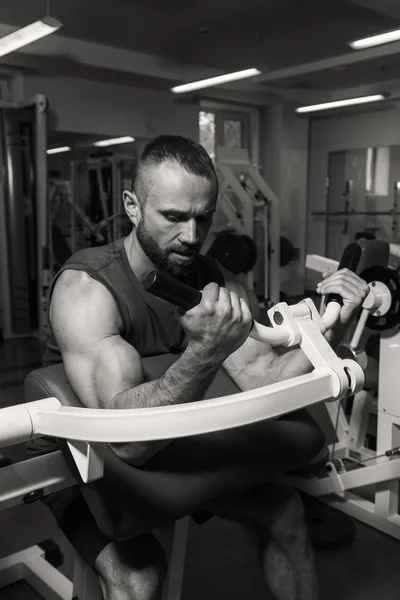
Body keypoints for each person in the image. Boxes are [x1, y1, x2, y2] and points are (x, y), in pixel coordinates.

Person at [36, 135, 369, 600]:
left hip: (174, 443)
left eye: (203, 217)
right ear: (133, 206)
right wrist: (205, 352)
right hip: (81, 461)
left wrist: (332, 326)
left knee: (285, 512)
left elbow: (261, 377)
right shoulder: (88, 290)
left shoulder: (212, 275)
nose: (191, 237)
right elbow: (125, 445)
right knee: (140, 577)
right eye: (173, 217)